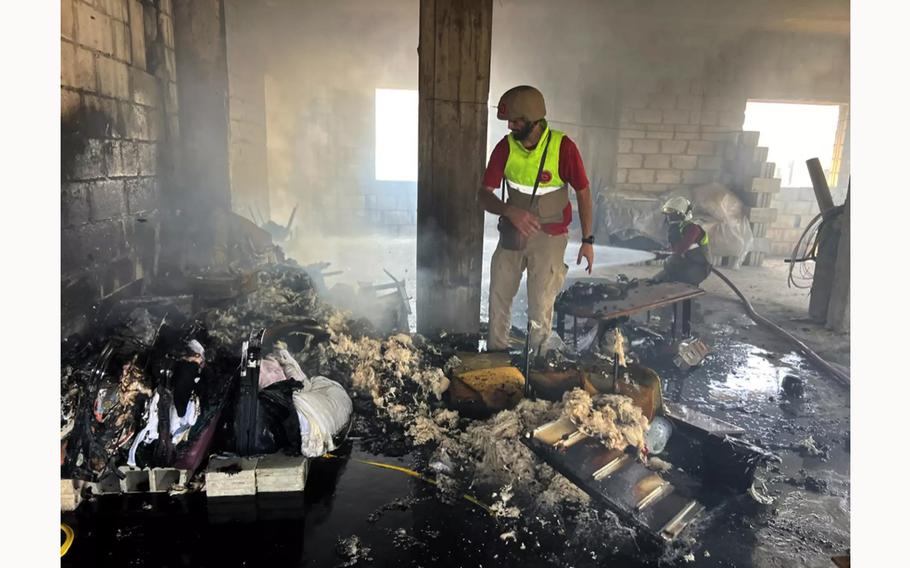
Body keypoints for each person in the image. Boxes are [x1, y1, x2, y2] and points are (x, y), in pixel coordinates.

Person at [478, 85, 595, 355]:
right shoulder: (505, 148)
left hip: (550, 236)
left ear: (533, 120)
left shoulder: (562, 147)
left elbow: (584, 192)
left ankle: (537, 364)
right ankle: (497, 358)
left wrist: (588, 241)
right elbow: (483, 196)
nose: (509, 126)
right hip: (513, 233)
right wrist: (510, 211)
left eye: (516, 121)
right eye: (508, 121)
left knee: (540, 304)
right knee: (498, 295)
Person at [652, 196, 712, 286]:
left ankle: (688, 291)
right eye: (667, 213)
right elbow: (675, 249)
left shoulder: (693, 229)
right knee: (655, 280)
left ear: (682, 214)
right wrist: (660, 252)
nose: (668, 216)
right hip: (685, 263)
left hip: (699, 267)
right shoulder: (677, 227)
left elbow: (680, 250)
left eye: (672, 213)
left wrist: (663, 254)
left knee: (676, 285)